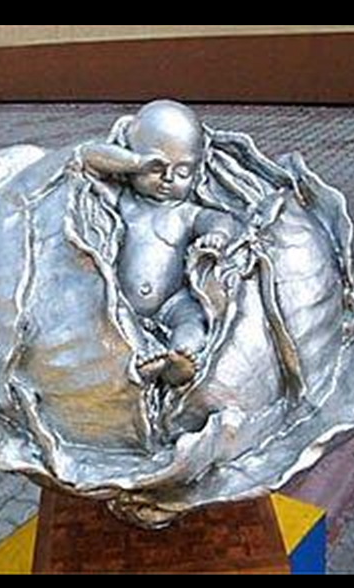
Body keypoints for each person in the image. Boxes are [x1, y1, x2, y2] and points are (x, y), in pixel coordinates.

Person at [77, 100, 236, 387]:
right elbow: (85, 160)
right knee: (114, 318)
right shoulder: (123, 202)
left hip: (174, 301)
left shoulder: (187, 213)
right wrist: (135, 163)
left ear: (197, 172)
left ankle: (180, 359)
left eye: (183, 172)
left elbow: (220, 220)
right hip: (123, 300)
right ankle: (141, 359)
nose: (168, 178)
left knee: (192, 321)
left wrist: (218, 236)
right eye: (156, 168)